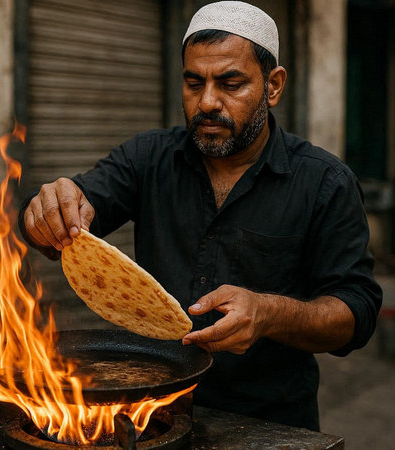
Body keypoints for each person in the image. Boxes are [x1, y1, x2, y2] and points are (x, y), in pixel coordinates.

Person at [19, 1, 382, 431]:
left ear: (273, 86)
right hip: (153, 414)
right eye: (194, 83)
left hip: (269, 423)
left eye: (230, 83)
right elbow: (63, 222)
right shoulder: (147, 158)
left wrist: (268, 313)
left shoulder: (325, 182)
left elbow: (355, 314)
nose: (207, 102)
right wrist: (43, 214)